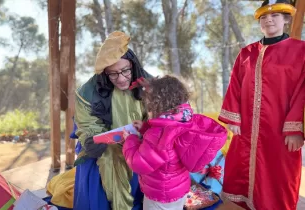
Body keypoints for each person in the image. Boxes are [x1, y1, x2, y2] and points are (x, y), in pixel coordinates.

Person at [218, 1, 305, 209]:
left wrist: (295, 128)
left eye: (275, 15)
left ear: (286, 20)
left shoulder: (300, 51)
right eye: (264, 17)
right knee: (240, 174)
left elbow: (303, 90)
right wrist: (233, 118)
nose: (268, 19)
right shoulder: (247, 53)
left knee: (279, 178)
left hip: (281, 130)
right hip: (246, 129)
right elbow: (235, 85)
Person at [122, 75, 227, 210]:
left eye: (149, 106)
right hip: (178, 189)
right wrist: (144, 128)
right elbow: (166, 144)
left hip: (160, 195)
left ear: (156, 106)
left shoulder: (159, 134)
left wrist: (130, 140)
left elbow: (138, 163)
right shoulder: (182, 120)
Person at [73, 31, 151, 210]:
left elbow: (161, 115)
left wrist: (147, 132)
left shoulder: (150, 83)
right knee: (110, 160)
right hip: (107, 143)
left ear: (133, 65)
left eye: (125, 71)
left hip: (144, 138)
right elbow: (87, 125)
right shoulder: (86, 92)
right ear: (104, 73)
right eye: (113, 74)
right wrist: (93, 139)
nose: (121, 78)